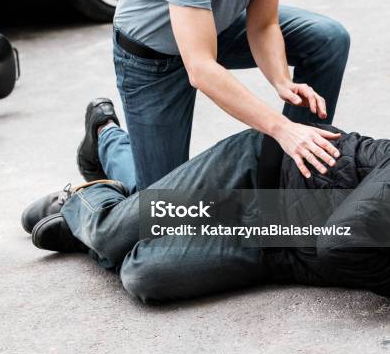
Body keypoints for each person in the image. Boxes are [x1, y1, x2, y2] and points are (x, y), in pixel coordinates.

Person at [23, 99, 390, 303]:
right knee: (109, 235)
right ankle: (88, 193)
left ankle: (108, 214)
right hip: (257, 177)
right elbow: (339, 242)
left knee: (143, 275)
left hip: (277, 247)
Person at [86, 0, 351, 191]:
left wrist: (281, 80)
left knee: (328, 38)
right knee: (162, 211)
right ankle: (106, 138)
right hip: (152, 57)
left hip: (214, 26)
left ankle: (291, 178)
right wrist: (282, 128)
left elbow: (264, 24)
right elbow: (201, 68)